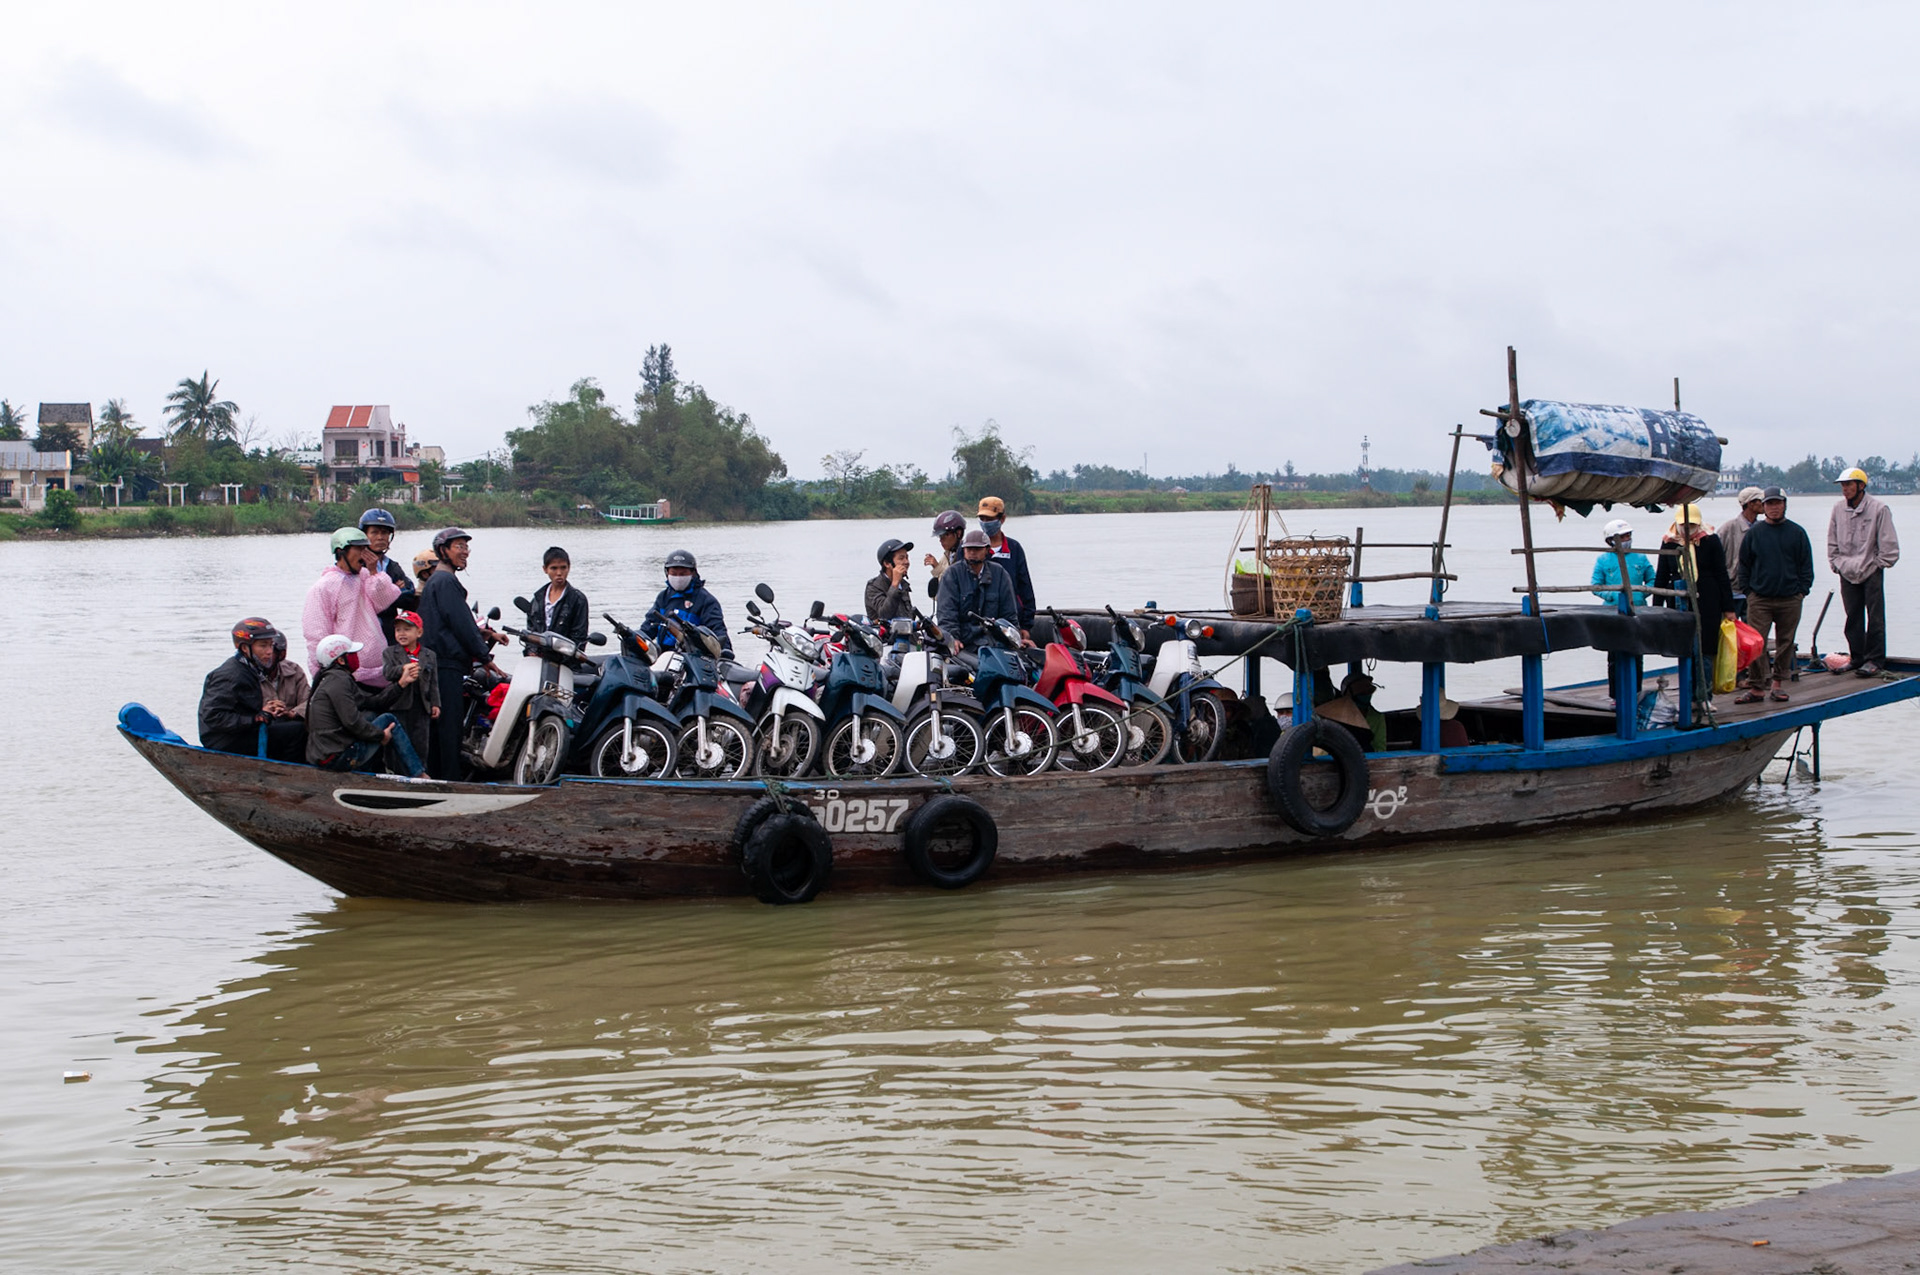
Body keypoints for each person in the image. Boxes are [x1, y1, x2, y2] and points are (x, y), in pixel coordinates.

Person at [419, 526, 507, 779]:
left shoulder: (438, 581)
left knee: (438, 724)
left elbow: (456, 623)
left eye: (466, 547)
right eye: (459, 546)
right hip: (446, 665)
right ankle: (451, 780)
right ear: (443, 551)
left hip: (437, 663)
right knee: (449, 727)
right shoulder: (445, 581)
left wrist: (487, 636)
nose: (465, 552)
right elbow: (461, 624)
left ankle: (436, 774)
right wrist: (484, 656)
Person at [306, 634, 427, 777]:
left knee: (371, 715)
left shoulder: (331, 679)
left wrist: (401, 683)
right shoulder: (339, 682)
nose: (356, 657)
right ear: (340, 660)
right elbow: (352, 722)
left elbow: (374, 703)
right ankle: (419, 775)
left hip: (326, 753)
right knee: (389, 719)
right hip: (337, 757)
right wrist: (381, 735)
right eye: (352, 654)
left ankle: (374, 771)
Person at [1738, 487, 1815, 703]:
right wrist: (1748, 592)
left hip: (1790, 598)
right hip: (1759, 598)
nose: (1774, 508)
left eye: (1777, 503)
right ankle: (1757, 686)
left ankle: (1778, 684)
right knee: (1756, 642)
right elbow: (1744, 565)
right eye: (1769, 504)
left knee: (1785, 642)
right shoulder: (1754, 533)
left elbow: (1806, 565)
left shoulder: (1797, 532)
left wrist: (1802, 590)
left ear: (1784, 505)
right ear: (1763, 507)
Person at [1653, 503, 1737, 698]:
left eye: (1692, 525)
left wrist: (1728, 608)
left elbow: (1721, 574)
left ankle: (1704, 696)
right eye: (1685, 525)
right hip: (1679, 600)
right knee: (1684, 648)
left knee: (1705, 649)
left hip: (1708, 599)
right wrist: (1657, 608)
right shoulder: (1669, 542)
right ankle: (1687, 695)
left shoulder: (1710, 540)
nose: (1688, 530)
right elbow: (1662, 576)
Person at [302, 526, 402, 688]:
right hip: (348, 674)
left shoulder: (363, 576)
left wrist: (374, 573)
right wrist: (324, 673)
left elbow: (384, 600)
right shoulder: (324, 587)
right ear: (341, 552)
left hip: (379, 672)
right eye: (358, 549)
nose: (364, 554)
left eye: (365, 548)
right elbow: (316, 634)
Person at [199, 617, 307, 762]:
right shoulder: (231, 675)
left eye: (271, 645)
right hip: (225, 740)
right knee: (297, 732)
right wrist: (256, 718)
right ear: (245, 648)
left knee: (292, 725)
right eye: (263, 646)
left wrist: (266, 711)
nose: (269, 652)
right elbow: (213, 717)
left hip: (243, 731)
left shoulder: (251, 669)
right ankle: (291, 774)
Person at [1827, 467, 1900, 678]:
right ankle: (1857, 657)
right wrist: (1836, 563)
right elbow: (1832, 539)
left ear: (1861, 486)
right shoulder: (1838, 509)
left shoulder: (1879, 508)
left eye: (1849, 485)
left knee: (1875, 617)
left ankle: (1875, 659)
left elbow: (1888, 542)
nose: (1845, 489)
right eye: (1842, 485)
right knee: (1852, 616)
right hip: (1846, 570)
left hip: (1870, 569)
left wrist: (1880, 564)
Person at [935, 528, 1021, 653]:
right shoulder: (952, 575)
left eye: (977, 549)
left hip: (994, 644)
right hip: (964, 645)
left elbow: (1009, 615)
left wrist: (1014, 637)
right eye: (969, 549)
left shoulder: (1000, 574)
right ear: (963, 550)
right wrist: (953, 638)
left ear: (986, 550)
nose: (972, 553)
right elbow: (946, 614)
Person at [641, 549, 732, 658]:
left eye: (683, 574)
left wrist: (725, 654)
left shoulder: (706, 600)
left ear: (693, 573)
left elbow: (718, 631)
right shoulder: (663, 597)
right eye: (674, 574)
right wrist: (634, 637)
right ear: (667, 573)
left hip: (694, 658)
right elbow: (648, 628)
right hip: (663, 657)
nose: (678, 578)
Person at [379, 610, 440, 763]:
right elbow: (387, 673)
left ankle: (420, 771)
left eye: (407, 629)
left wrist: (435, 703)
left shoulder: (429, 655)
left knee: (420, 743)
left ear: (419, 632)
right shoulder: (389, 653)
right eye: (398, 630)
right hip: (398, 705)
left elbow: (433, 682)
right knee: (398, 742)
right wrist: (402, 669)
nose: (402, 634)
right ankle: (395, 772)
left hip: (421, 706)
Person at [977, 496, 1036, 638]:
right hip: (978, 624)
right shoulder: (969, 549)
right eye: (982, 519)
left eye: (989, 519)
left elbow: (1025, 589)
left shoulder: (1014, 548)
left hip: (1010, 624)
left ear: (1002, 519)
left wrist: (1026, 626)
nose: (985, 523)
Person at [358, 507, 416, 643]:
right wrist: (392, 589)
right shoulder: (357, 565)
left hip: (390, 634)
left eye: (384, 533)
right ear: (364, 534)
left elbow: (408, 595)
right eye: (374, 532)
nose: (380, 537)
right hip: (365, 636)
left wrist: (383, 594)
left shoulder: (392, 566)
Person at [523, 546, 589, 646]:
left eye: (563, 568)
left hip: (565, 656)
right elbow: (531, 629)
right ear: (545, 569)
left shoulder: (578, 599)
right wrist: (531, 650)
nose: (559, 573)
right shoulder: (538, 598)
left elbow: (579, 636)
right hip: (539, 654)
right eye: (554, 568)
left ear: (569, 567)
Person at [1716, 486, 1765, 618]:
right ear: (1750, 503)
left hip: (1755, 592)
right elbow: (1716, 559)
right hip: (1731, 591)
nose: (1764, 504)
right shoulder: (1728, 528)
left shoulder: (1763, 528)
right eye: (1761, 501)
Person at [866, 538, 916, 623]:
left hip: (906, 634)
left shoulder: (903, 585)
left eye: (907, 557)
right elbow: (884, 615)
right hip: (886, 635)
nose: (906, 562)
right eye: (901, 558)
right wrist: (895, 585)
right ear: (887, 564)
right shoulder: (873, 586)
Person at [263, 632, 310, 721]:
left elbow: (308, 700)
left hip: (290, 725)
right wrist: (264, 711)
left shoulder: (294, 670)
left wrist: (292, 713)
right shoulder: (247, 674)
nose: (265, 654)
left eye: (271, 651)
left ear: (281, 654)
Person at [922, 510, 966, 599]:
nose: (941, 540)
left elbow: (953, 584)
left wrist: (936, 566)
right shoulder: (948, 555)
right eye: (939, 537)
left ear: (958, 533)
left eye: (944, 535)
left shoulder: (966, 556)